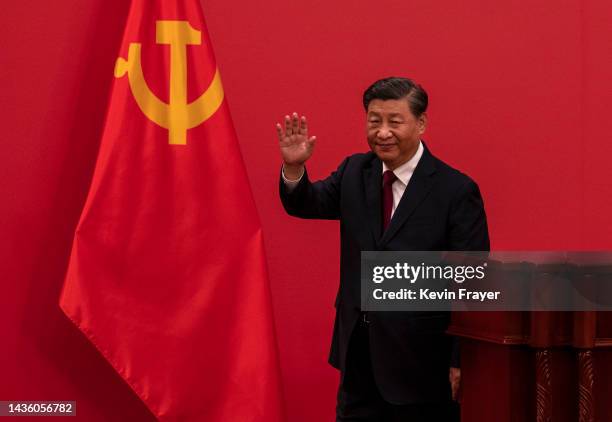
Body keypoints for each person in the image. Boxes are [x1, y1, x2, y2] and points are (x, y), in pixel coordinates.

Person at [277, 77, 490, 421]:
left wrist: (460, 359)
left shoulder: (455, 190)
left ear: (421, 124)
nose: (383, 132)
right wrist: (294, 167)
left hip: (423, 364)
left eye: (395, 121)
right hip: (359, 356)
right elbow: (307, 203)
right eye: (374, 121)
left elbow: (472, 282)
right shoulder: (353, 172)